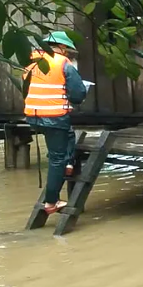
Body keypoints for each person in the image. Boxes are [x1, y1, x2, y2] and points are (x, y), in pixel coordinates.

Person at [24, 31, 87, 214]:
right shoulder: (62, 63)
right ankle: (51, 202)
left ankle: (68, 165)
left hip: (33, 116)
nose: (66, 52)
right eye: (66, 49)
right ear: (60, 47)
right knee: (56, 158)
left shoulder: (30, 61)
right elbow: (78, 95)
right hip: (54, 117)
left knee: (68, 136)